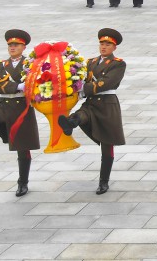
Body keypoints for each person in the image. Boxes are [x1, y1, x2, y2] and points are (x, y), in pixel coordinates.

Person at [59, 28, 127, 195]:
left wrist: (83, 88)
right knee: (82, 115)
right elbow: (80, 77)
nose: (103, 47)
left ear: (114, 47)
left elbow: (107, 83)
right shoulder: (90, 62)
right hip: (91, 102)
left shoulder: (118, 63)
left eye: (108, 44)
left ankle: (103, 181)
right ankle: (70, 123)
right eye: (102, 44)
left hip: (107, 104)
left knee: (107, 145)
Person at [0, 30, 39, 197]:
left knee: (22, 147)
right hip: (3, 104)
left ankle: (22, 183)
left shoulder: (31, 64)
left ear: (23, 47)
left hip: (21, 107)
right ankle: (6, 134)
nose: (12, 47)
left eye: (16, 45)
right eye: (10, 45)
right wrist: (16, 86)